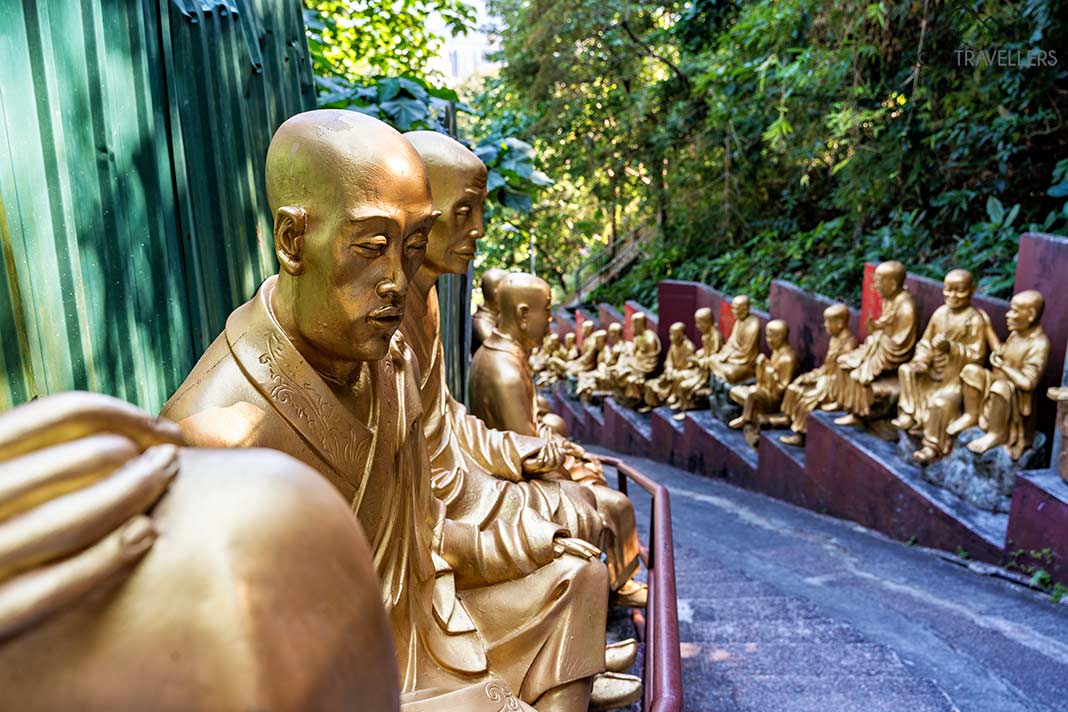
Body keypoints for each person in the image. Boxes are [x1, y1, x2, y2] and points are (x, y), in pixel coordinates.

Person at [162, 110, 608, 712]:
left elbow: (424, 536)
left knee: (578, 581)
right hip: (342, 683)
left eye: (413, 247)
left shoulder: (388, 358)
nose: (397, 280)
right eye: (373, 247)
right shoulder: (222, 429)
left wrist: (525, 541)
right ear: (294, 241)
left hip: (422, 633)